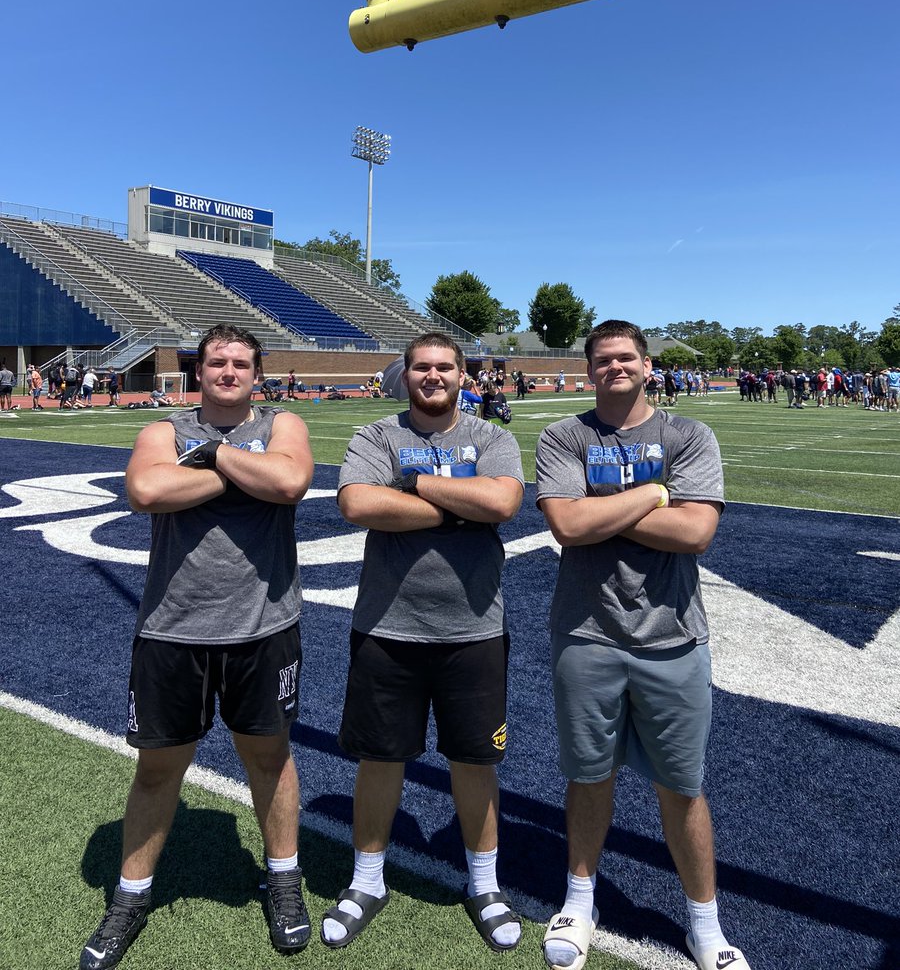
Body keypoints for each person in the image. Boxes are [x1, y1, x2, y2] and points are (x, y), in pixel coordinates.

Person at [79, 324, 314, 970]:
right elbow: (148, 492)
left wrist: (207, 459)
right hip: (172, 628)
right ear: (199, 370)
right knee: (157, 769)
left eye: (241, 362)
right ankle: (130, 895)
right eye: (218, 361)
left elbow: (291, 482)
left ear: (256, 373)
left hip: (263, 627)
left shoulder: (282, 424)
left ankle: (285, 879)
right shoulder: (162, 431)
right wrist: (242, 471)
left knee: (268, 759)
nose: (229, 371)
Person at [535, 320, 749, 970]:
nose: (615, 368)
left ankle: (704, 924)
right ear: (589, 370)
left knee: (682, 787)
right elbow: (569, 525)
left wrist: (611, 505)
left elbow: (695, 533)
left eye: (626, 358)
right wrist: (656, 493)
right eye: (603, 360)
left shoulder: (688, 435)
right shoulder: (563, 436)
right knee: (588, 775)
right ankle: (579, 898)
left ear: (648, 366)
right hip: (586, 634)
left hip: (673, 638)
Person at [323, 332, 524, 953]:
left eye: (444, 367)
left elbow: (504, 501)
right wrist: (462, 507)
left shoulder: (492, 437)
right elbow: (358, 503)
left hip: (474, 627)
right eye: (421, 368)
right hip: (388, 625)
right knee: (380, 758)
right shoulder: (377, 437)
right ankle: (367, 880)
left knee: (474, 761)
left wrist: (412, 487)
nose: (432, 376)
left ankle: (484, 885)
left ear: (463, 375)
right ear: (404, 374)